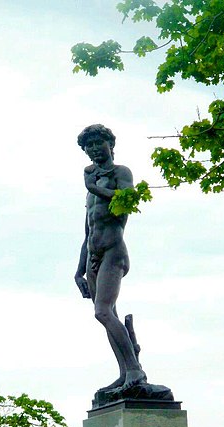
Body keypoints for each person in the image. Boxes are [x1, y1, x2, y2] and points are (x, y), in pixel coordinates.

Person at [75, 124, 146, 394]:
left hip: (114, 252)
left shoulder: (120, 173)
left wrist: (94, 188)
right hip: (93, 256)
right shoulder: (90, 188)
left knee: (102, 311)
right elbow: (87, 232)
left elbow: (127, 201)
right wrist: (78, 271)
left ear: (110, 145)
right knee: (109, 314)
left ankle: (136, 370)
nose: (94, 149)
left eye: (98, 143)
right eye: (88, 146)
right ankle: (125, 372)